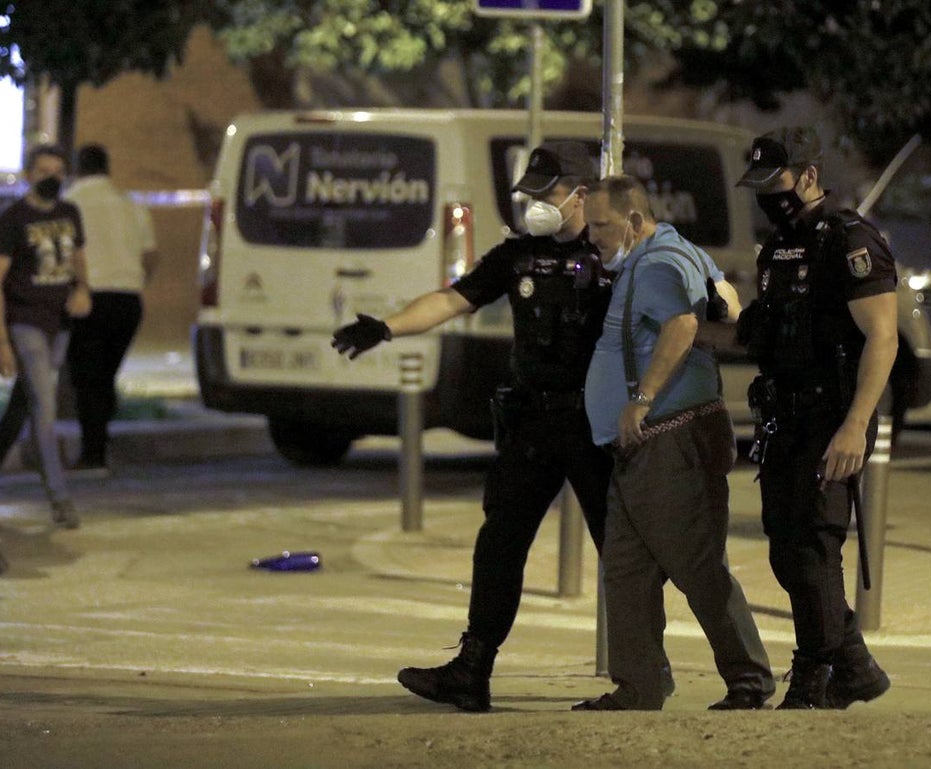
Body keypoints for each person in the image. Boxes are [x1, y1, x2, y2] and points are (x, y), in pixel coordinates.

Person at [331, 141, 636, 712]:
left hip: (596, 425)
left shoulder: (614, 255)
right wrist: (388, 328)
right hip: (531, 422)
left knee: (620, 551)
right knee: (499, 544)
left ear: (581, 195)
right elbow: (453, 300)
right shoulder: (517, 256)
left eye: (545, 195)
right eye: (530, 196)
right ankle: (471, 670)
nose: (535, 206)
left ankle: (642, 674)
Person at [573, 174, 775, 712]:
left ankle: (749, 681)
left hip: (667, 436)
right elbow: (726, 304)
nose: (591, 235)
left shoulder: (657, 263)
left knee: (697, 565)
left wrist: (641, 396)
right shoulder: (675, 254)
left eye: (601, 225)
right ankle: (637, 685)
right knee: (626, 569)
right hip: (645, 444)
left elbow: (683, 325)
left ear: (635, 221)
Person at [735, 125, 896, 709]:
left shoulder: (849, 239)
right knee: (785, 547)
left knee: (814, 550)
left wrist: (855, 424)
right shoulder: (777, 247)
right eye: (755, 184)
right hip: (784, 417)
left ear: (808, 177)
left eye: (773, 182)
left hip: (833, 417)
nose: (764, 195)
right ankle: (854, 667)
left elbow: (882, 337)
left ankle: (815, 674)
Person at [0, 145, 92, 530]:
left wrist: (82, 289)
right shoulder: (13, 219)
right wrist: (1, 340)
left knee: (20, 410)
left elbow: (78, 258)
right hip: (25, 323)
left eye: (59, 171)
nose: (52, 178)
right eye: (44, 170)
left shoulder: (70, 212)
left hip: (59, 324)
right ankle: (59, 498)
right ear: (29, 174)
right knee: (45, 409)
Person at [63, 144, 159, 473]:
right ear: (107, 168)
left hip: (89, 298)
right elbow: (150, 257)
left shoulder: (69, 204)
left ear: (78, 168)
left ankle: (93, 453)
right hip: (128, 301)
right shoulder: (131, 205)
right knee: (105, 375)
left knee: (87, 378)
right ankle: (100, 444)